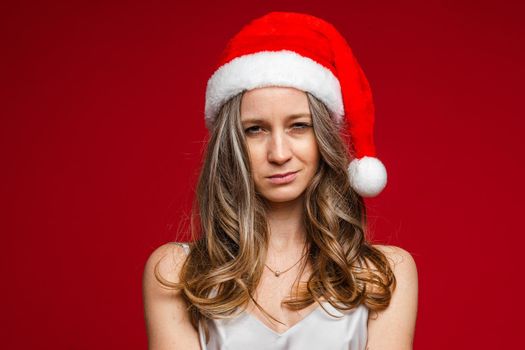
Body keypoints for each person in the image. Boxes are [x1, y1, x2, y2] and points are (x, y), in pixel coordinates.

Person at [142, 11, 418, 350]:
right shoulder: (177, 273)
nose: (278, 153)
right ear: (231, 144)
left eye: (298, 126)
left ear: (324, 138)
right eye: (255, 129)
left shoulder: (383, 275)